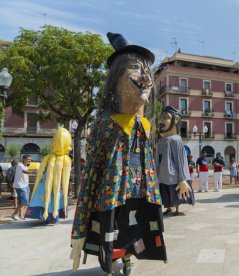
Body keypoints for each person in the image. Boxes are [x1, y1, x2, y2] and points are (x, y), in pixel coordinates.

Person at [70, 33, 167, 275]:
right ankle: (114, 259)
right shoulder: (105, 125)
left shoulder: (145, 125)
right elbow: (91, 177)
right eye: (135, 68)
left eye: (148, 70)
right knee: (114, 232)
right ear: (117, 77)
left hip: (143, 197)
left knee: (136, 233)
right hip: (113, 198)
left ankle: (128, 260)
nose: (146, 77)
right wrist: (79, 231)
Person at [25, 128, 72, 223]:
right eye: (53, 141)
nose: (53, 144)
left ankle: (54, 215)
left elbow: (66, 177)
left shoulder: (66, 159)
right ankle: (43, 215)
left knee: (55, 197)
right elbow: (41, 171)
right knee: (44, 197)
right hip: (45, 184)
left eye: (56, 141)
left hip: (58, 186)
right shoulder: (48, 157)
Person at [156, 106, 193, 216]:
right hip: (163, 174)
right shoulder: (161, 139)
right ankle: (169, 208)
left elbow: (181, 160)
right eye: (161, 118)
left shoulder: (176, 140)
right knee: (166, 193)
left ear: (175, 120)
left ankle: (176, 209)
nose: (161, 121)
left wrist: (182, 179)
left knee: (175, 192)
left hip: (173, 175)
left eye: (165, 118)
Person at [12, 155, 32, 221]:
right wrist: (35, 172)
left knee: (22, 202)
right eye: (28, 159)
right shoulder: (20, 165)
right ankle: (14, 214)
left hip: (25, 186)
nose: (29, 161)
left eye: (30, 159)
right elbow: (25, 172)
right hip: (20, 186)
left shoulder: (26, 166)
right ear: (23, 159)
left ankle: (21, 215)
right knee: (24, 201)